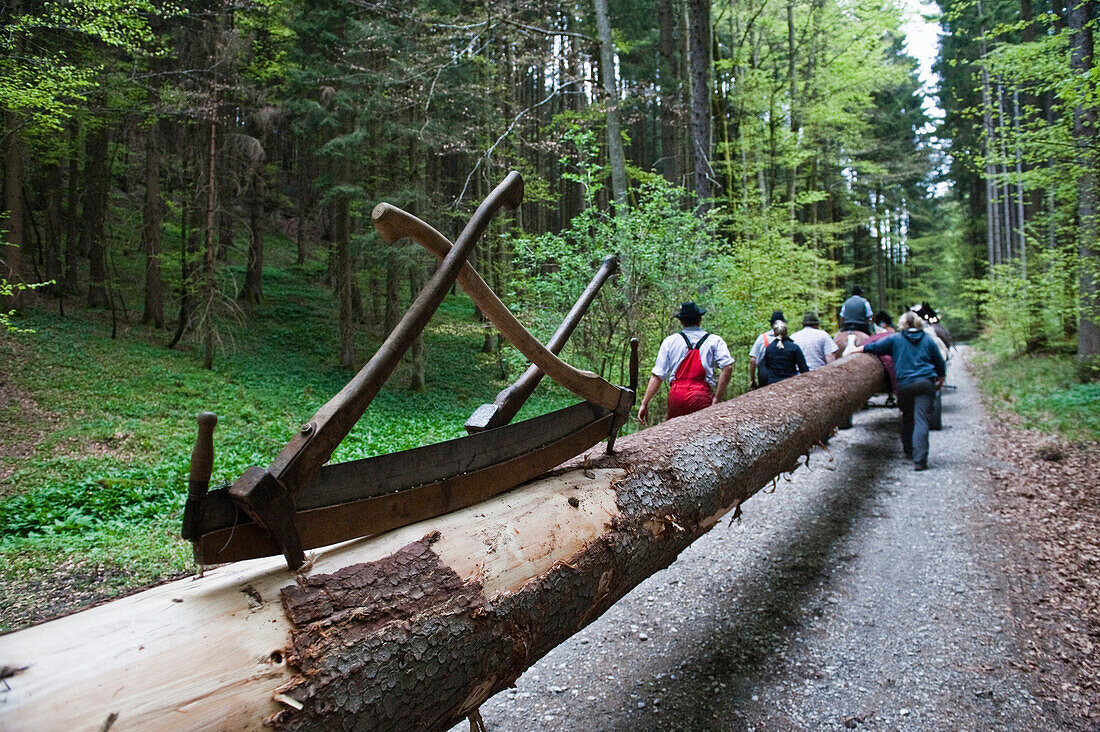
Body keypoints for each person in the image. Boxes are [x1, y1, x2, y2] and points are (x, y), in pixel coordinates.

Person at [856, 311, 946, 471]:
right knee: (922, 420)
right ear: (919, 323)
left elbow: (874, 348)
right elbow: (939, 362)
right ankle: (920, 461)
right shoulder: (928, 340)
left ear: (903, 324)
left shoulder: (895, 339)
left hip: (905, 385)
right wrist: (940, 379)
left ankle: (909, 451)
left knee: (907, 417)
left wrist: (856, 350)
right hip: (925, 383)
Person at [638, 302, 734, 422]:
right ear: (700, 319)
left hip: (676, 396)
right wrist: (717, 398)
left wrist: (644, 403)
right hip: (700, 396)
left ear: (681, 321)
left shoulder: (670, 341)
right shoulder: (714, 340)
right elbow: (727, 367)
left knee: (675, 435)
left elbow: (658, 375)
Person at [748, 310, 785, 389]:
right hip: (784, 377)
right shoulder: (788, 340)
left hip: (765, 377)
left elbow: (753, 361)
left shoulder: (762, 338)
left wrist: (752, 380)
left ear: (771, 324)